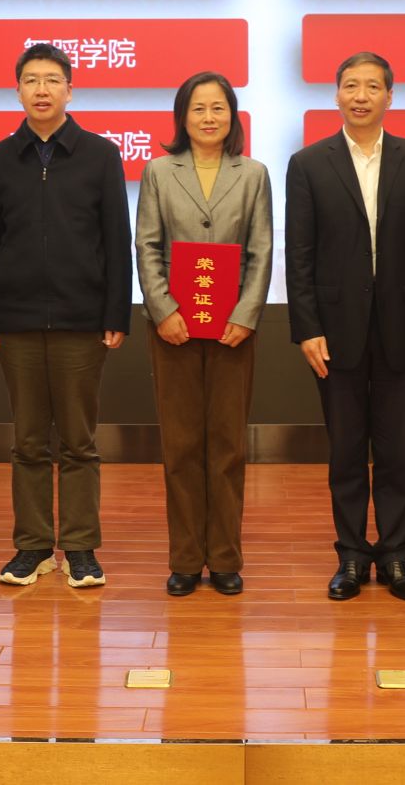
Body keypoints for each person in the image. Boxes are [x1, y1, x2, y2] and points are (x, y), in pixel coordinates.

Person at [285, 51, 405, 601]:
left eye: (372, 86)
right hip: (334, 330)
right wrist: (306, 327)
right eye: (351, 85)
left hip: (403, 326)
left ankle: (396, 556)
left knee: (397, 451)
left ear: (389, 97)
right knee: (346, 451)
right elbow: (299, 254)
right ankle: (351, 556)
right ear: (336, 94)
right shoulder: (309, 163)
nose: (360, 95)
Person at [0, 42, 131, 589]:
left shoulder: (100, 155)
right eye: (31, 80)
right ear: (17, 90)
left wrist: (116, 313)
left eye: (51, 80)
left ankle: (81, 548)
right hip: (16, 320)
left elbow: (116, 240)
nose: (41, 90)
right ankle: (34, 546)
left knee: (80, 442)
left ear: (70, 89)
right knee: (28, 442)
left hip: (81, 319)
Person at [135, 71, 273, 597]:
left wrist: (245, 314)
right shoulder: (158, 171)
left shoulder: (253, 173)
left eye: (218, 108)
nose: (209, 117)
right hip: (173, 329)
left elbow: (261, 249)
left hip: (233, 328)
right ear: (182, 117)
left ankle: (226, 557)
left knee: (228, 446)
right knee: (181, 446)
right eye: (198, 108)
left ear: (232, 116)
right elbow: (147, 245)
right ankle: (186, 558)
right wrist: (163, 310)